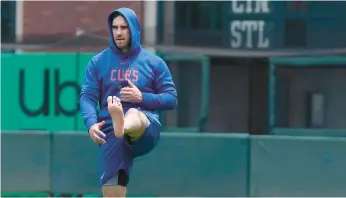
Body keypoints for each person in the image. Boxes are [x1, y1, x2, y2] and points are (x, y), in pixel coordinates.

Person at [79, 7, 178, 197]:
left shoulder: (154, 62)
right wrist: (91, 124)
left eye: (124, 27)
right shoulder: (98, 62)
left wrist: (142, 98)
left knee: (134, 114)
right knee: (112, 192)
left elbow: (171, 98)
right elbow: (88, 97)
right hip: (110, 132)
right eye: (115, 28)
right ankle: (119, 126)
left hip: (146, 127)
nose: (118, 32)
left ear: (133, 29)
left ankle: (123, 125)